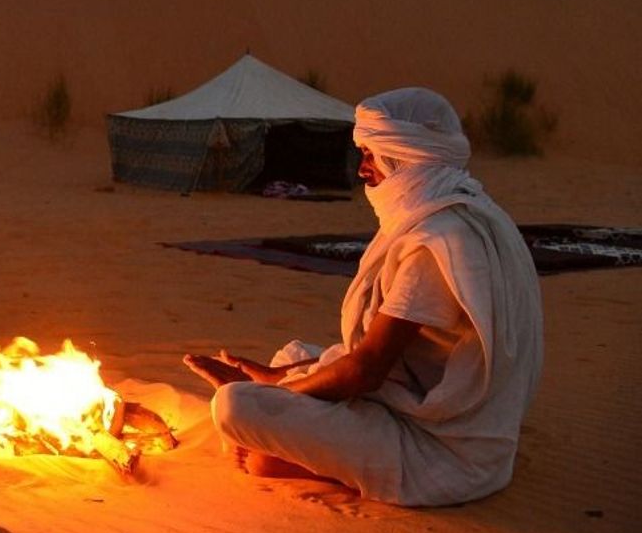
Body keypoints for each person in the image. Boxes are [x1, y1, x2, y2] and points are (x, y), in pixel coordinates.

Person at [184, 87, 543, 506]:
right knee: (293, 353)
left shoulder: (436, 242)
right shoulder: (470, 211)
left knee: (234, 407)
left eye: (370, 155)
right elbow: (378, 361)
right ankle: (291, 433)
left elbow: (367, 370)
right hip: (434, 408)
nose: (362, 170)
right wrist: (281, 378)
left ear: (403, 156)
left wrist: (279, 393)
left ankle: (293, 461)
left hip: (441, 452)